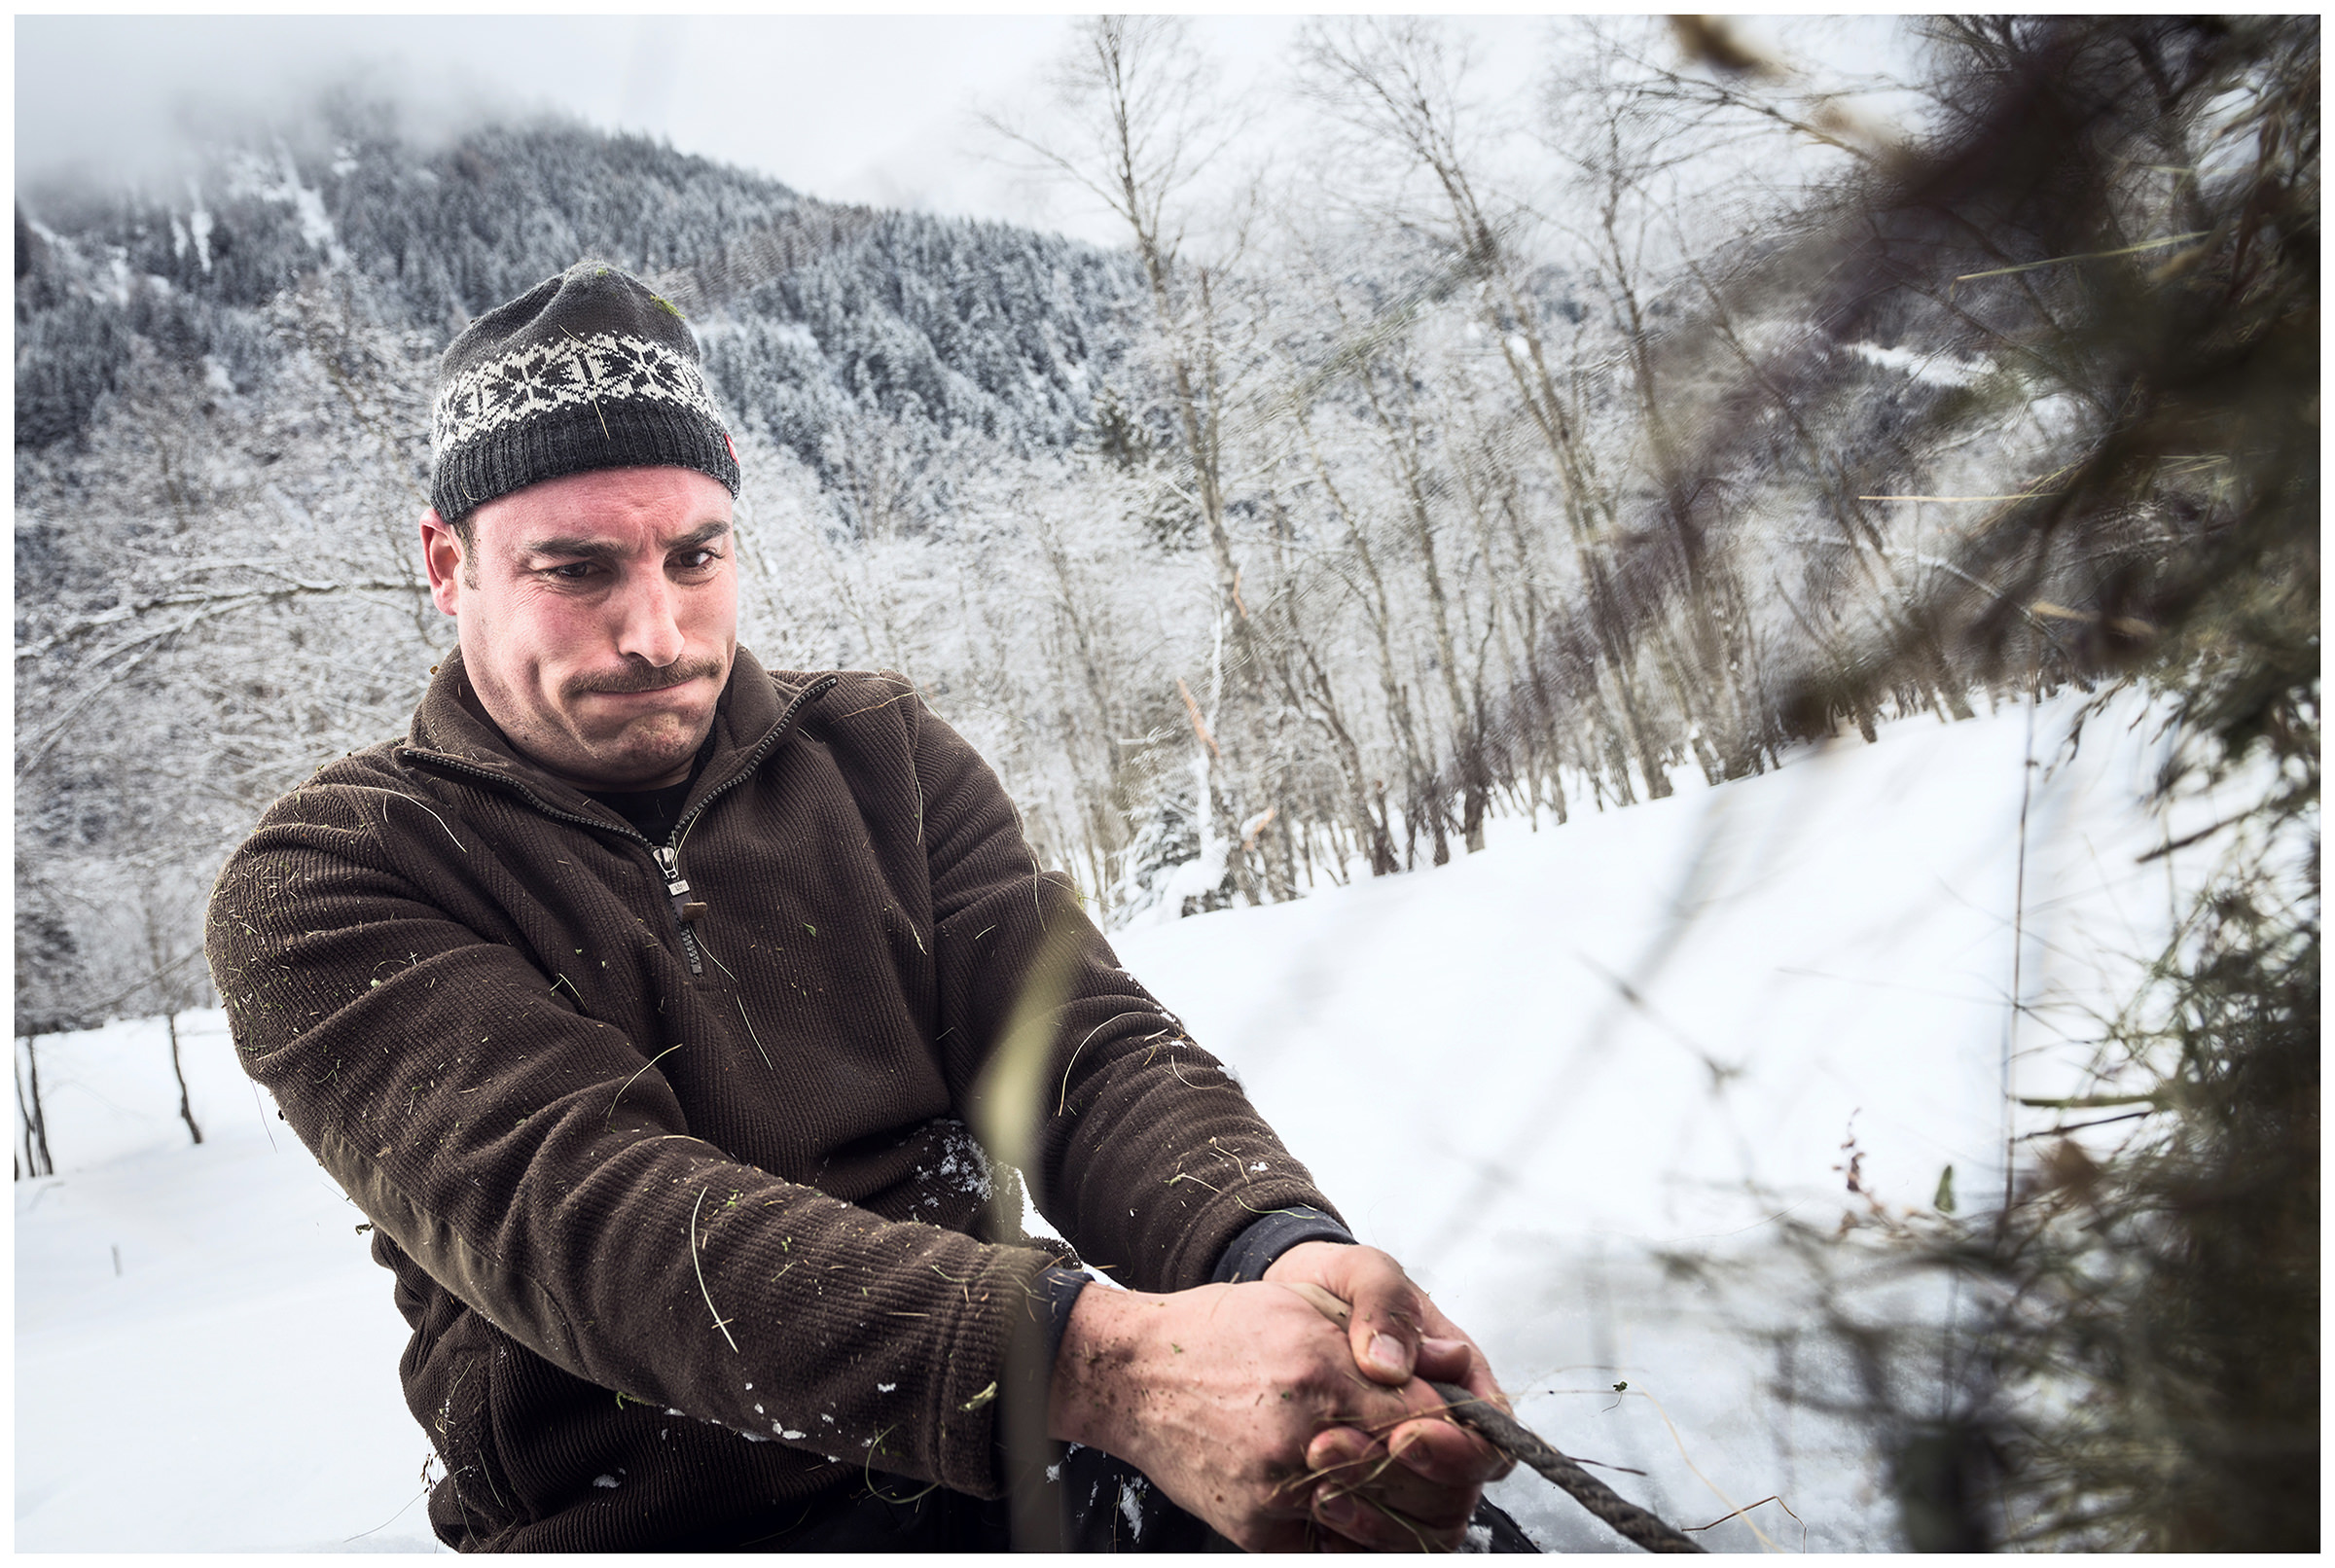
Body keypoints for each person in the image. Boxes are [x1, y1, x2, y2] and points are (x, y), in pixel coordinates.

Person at [206, 261, 1518, 1552]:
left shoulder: (880, 754)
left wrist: (1268, 1254)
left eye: (694, 555)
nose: (655, 630)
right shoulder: (331, 883)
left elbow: (1082, 1054)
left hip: (1025, 1466)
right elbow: (598, 1223)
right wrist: (1108, 1365)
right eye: (577, 570)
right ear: (449, 566)